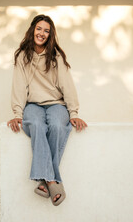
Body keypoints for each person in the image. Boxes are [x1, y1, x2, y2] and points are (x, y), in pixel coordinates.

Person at [7, 14, 87, 206]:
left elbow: (67, 85)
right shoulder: (22, 56)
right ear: (32, 29)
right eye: (39, 29)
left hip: (56, 103)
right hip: (33, 105)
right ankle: (52, 181)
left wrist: (73, 113)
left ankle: (44, 180)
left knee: (59, 127)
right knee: (36, 124)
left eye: (46, 31)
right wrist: (18, 114)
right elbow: (18, 86)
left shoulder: (56, 56)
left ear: (50, 35)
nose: (42, 33)